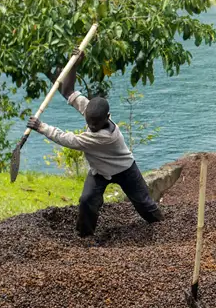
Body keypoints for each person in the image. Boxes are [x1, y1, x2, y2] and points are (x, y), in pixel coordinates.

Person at [27, 49, 162, 237]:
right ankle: (85, 236)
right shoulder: (93, 111)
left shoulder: (105, 137)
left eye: (95, 123)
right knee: (87, 200)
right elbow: (68, 91)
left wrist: (42, 127)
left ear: (107, 118)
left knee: (144, 204)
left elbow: (69, 140)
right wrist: (74, 65)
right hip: (99, 171)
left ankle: (162, 228)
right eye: (88, 121)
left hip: (124, 169)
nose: (91, 126)